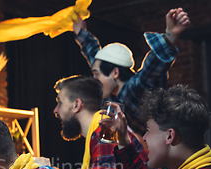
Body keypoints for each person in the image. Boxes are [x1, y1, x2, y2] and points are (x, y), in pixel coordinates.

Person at [73, 8, 190, 137]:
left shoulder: (135, 88)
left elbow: (152, 66)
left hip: (164, 148)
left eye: (96, 75)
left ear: (115, 73)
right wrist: (80, 32)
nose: (94, 80)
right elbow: (94, 57)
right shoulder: (110, 95)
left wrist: (170, 36)